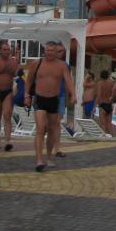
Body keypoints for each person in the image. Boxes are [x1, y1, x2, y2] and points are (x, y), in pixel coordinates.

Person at [24, 41, 75, 172]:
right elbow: (29, 80)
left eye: (52, 51)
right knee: (40, 129)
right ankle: (38, 160)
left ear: (55, 52)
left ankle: (48, 157)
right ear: (44, 50)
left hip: (54, 99)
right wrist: (26, 95)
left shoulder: (62, 66)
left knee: (52, 129)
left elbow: (68, 81)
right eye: (47, 50)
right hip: (40, 99)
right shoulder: (37, 63)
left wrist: (73, 95)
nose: (49, 53)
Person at [95, 70, 115, 134]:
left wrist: (95, 106)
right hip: (109, 105)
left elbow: (99, 95)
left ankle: (104, 138)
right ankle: (112, 137)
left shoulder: (100, 83)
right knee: (109, 125)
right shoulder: (111, 83)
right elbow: (113, 95)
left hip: (103, 105)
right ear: (108, 76)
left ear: (101, 76)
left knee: (103, 125)